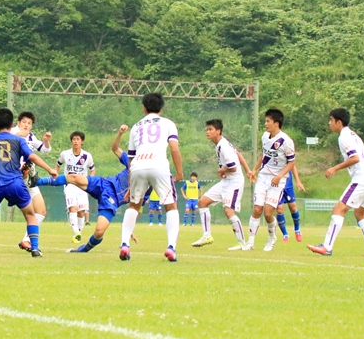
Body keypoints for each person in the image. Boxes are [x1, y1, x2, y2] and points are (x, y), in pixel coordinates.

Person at [34, 125, 143, 253]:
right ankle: (36, 181)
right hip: (104, 184)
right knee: (73, 177)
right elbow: (115, 148)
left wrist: (130, 228)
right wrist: (119, 133)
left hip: (112, 201)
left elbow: (136, 208)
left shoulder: (149, 183)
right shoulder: (134, 161)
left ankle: (82, 250)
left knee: (99, 232)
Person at [0, 108, 57, 258]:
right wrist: (49, 169)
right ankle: (35, 249)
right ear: (12, 124)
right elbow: (33, 157)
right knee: (30, 215)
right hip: (15, 184)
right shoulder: (19, 140)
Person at [120, 93, 184, 262]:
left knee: (134, 206)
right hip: (159, 165)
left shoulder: (136, 126)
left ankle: (124, 244)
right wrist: (179, 172)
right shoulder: (168, 123)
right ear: (161, 107)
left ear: (144, 108)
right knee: (171, 206)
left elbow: (130, 158)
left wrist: (130, 185)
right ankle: (171, 247)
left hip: (138, 166)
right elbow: (174, 149)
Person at [308, 108, 364, 257]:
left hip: (362, 178)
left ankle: (327, 247)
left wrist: (334, 168)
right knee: (360, 213)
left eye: (331, 120)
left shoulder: (344, 137)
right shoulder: (353, 135)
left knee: (338, 209)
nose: (329, 123)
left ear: (338, 122)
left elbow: (355, 158)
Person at [192, 119, 253, 249]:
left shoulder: (223, 146)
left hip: (234, 182)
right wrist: (248, 170)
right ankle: (207, 236)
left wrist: (221, 170)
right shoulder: (221, 144)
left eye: (210, 129)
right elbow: (238, 154)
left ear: (218, 131)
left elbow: (233, 168)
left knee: (228, 211)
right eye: (207, 129)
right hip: (225, 181)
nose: (207, 132)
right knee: (202, 202)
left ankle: (243, 244)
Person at [246, 108, 296, 252]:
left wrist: (279, 176)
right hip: (263, 177)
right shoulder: (265, 137)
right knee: (257, 209)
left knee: (268, 213)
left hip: (278, 180)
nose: (265, 124)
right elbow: (264, 155)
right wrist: (255, 169)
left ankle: (272, 237)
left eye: (268, 121)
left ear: (276, 123)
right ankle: (250, 242)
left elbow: (291, 162)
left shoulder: (286, 141)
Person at [11, 111, 51, 252]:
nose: (26, 125)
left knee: (41, 211)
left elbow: (45, 150)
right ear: (18, 123)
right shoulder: (12, 132)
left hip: (28, 177)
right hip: (12, 176)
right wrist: (18, 135)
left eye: (29, 123)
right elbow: (4, 141)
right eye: (24, 122)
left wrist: (46, 141)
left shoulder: (31, 136)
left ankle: (26, 240)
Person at [57, 131, 95, 243]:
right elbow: (58, 165)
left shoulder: (87, 156)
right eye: (74, 139)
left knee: (81, 212)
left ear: (82, 142)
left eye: (78, 139)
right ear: (71, 141)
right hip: (69, 185)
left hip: (82, 187)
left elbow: (92, 169)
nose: (76, 141)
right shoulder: (65, 154)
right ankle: (76, 233)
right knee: (72, 208)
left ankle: (79, 233)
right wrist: (55, 177)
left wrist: (90, 181)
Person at [275, 168, 305, 242]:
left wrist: (298, 181)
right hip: (276, 185)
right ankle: (285, 235)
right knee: (279, 209)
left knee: (293, 207)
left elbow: (293, 166)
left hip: (287, 184)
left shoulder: (287, 159)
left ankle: (297, 230)